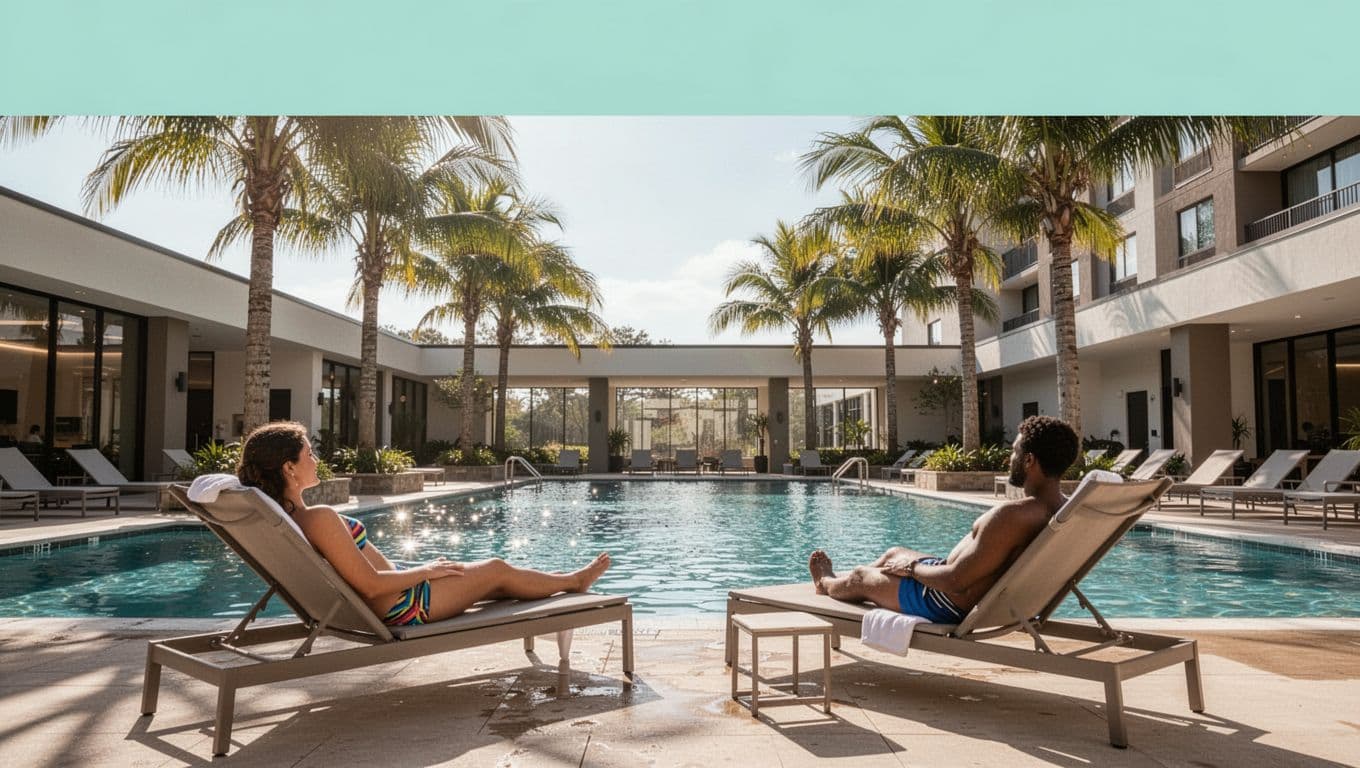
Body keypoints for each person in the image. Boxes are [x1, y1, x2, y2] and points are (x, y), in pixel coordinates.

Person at [236, 421, 611, 627]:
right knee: (497, 569)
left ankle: (561, 580)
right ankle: (573, 582)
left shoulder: (295, 519)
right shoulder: (318, 518)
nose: (316, 460)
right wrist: (426, 571)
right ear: (289, 467)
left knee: (497, 581)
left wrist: (419, 572)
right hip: (404, 605)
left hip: (399, 593)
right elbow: (370, 585)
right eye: (309, 454)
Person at [809, 415, 1080, 623]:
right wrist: (910, 565)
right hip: (953, 583)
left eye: (1014, 451)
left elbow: (955, 581)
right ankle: (854, 583)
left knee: (860, 576)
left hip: (943, 600)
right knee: (893, 553)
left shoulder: (1012, 516)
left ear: (1029, 460)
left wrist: (912, 568)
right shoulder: (1067, 509)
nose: (1010, 458)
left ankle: (827, 584)